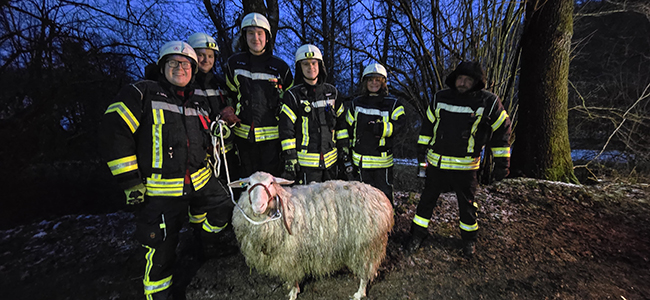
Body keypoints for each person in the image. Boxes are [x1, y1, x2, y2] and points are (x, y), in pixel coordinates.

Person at [99, 41, 233, 300]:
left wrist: (219, 135)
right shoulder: (142, 93)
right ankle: (160, 295)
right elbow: (114, 131)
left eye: (185, 64)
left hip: (199, 181)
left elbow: (206, 140)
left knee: (225, 208)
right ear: (162, 67)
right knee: (161, 252)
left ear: (193, 70)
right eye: (173, 63)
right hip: (159, 190)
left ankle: (201, 239)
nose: (180, 68)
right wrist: (129, 181)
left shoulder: (197, 103)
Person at [407, 61, 512, 259]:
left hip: (466, 168)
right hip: (437, 164)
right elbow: (428, 126)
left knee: (468, 206)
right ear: (454, 79)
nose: (462, 83)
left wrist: (502, 165)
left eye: (468, 80)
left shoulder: (488, 102)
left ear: (476, 82)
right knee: (425, 203)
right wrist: (421, 151)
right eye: (460, 79)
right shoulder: (440, 97)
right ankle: (417, 235)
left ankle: (468, 240)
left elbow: (502, 131)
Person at [224, 12, 293, 178]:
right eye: (250, 33)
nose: (256, 38)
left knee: (270, 183)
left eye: (260, 33)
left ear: (267, 38)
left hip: (272, 138)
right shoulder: (234, 64)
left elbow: (290, 101)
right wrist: (228, 109)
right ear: (244, 37)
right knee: (247, 182)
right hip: (243, 136)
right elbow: (229, 94)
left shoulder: (280, 67)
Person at [278, 44, 346, 184]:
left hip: (331, 164)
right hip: (306, 167)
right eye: (306, 64)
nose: (311, 67)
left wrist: (344, 149)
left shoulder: (332, 93)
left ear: (320, 65)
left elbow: (341, 125)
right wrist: (290, 157)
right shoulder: (292, 96)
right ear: (299, 67)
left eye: (314, 63)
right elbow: (286, 130)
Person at [343, 63, 406, 202]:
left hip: (382, 163)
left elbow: (401, 125)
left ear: (383, 82)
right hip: (360, 161)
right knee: (362, 199)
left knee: (384, 198)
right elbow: (347, 127)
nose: (373, 83)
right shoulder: (356, 103)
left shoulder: (393, 104)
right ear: (365, 82)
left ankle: (388, 223)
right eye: (370, 80)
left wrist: (383, 128)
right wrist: (347, 153)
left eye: (378, 80)